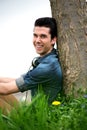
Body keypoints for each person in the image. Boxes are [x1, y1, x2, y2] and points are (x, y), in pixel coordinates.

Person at [0, 17, 62, 114]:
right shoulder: (49, 60)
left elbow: (6, 89)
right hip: (33, 111)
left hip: (41, 118)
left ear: (53, 40)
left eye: (43, 36)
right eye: (35, 35)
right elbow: (18, 81)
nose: (37, 40)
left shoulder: (47, 67)